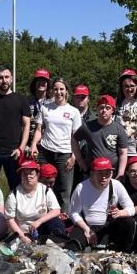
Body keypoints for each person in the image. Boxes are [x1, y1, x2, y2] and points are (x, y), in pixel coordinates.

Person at [31, 77, 81, 211]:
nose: (58, 92)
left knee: (64, 190)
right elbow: (38, 130)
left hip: (64, 154)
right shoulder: (45, 108)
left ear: (66, 91)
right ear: (52, 91)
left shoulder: (73, 111)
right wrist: (34, 144)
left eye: (61, 89)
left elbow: (76, 137)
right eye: (56, 89)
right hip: (45, 153)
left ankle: (64, 223)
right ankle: (42, 216)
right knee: (42, 187)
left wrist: (74, 157)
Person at [69, 157, 136, 251]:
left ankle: (124, 251)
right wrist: (86, 229)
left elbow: (131, 208)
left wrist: (120, 213)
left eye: (107, 174)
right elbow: (74, 212)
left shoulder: (116, 185)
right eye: (100, 173)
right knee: (73, 244)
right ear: (92, 174)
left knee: (129, 222)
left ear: (112, 174)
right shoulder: (81, 187)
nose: (104, 177)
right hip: (88, 225)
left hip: (108, 226)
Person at [5, 160, 65, 244]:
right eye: (24, 174)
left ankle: (58, 242)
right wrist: (22, 236)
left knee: (57, 222)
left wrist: (38, 222)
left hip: (42, 227)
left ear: (37, 175)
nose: (28, 176)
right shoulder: (13, 195)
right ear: (21, 176)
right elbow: (10, 219)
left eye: (31, 173)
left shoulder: (45, 190)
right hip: (24, 232)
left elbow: (56, 210)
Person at [73, 94, 128, 179]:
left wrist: (121, 173)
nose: (104, 110)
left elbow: (123, 153)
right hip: (92, 171)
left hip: (111, 172)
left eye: (107, 108)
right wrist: (80, 160)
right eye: (101, 107)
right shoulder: (87, 126)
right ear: (97, 109)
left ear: (113, 110)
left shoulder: (119, 128)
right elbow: (74, 139)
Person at [26, 68, 51, 157]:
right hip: (28, 145)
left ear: (48, 84)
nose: (41, 83)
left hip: (47, 146)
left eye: (44, 81)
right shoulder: (26, 101)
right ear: (34, 83)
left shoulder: (53, 103)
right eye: (39, 80)